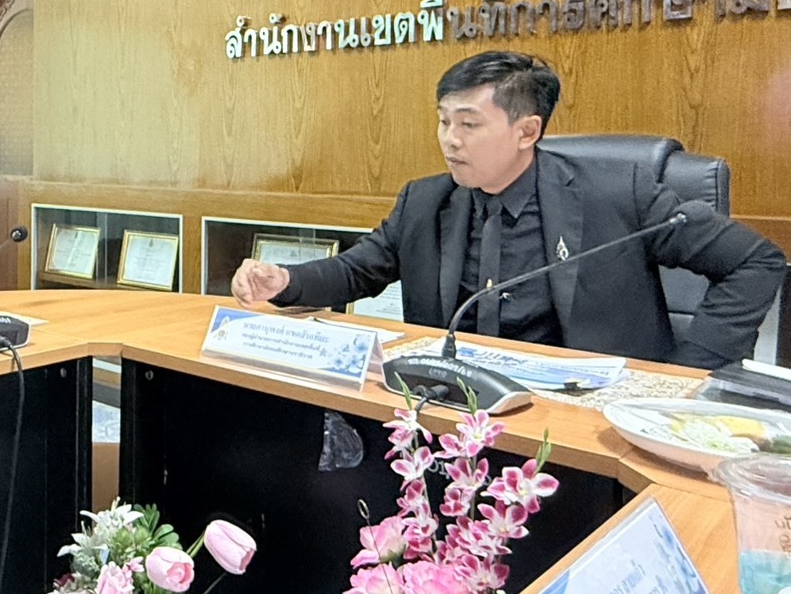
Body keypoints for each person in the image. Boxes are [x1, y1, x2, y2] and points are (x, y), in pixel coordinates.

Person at [230, 51, 785, 368]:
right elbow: (358, 270)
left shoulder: (620, 193)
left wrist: (690, 371)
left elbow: (755, 262)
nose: (450, 139)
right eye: (444, 121)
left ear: (527, 131)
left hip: (583, 422)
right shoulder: (426, 201)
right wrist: (286, 281)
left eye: (469, 124)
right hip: (455, 415)